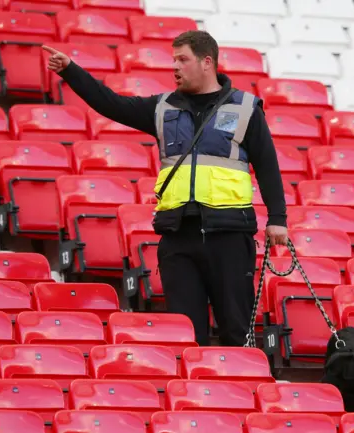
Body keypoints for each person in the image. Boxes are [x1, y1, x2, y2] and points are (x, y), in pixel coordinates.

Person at [42, 31, 288, 347]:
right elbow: (111, 104)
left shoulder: (245, 108)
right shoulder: (161, 108)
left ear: (207, 62)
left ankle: (243, 392)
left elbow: (267, 166)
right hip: (178, 237)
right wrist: (70, 70)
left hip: (229, 236)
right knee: (185, 338)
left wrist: (277, 219)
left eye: (182, 59)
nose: (174, 67)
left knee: (236, 334)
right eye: (173, 59)